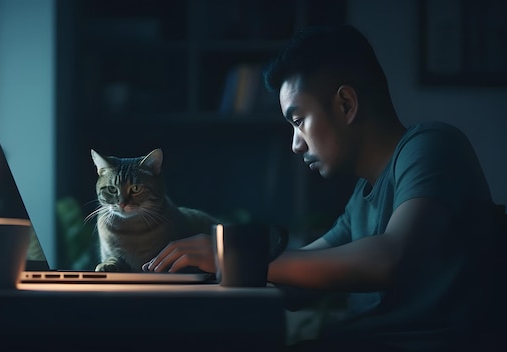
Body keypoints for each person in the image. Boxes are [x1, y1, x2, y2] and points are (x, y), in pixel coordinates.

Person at [143, 24, 500, 352]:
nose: (296, 144)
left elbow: (389, 258)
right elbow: (298, 278)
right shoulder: (360, 200)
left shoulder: (431, 145)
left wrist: (232, 259)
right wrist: (202, 273)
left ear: (346, 104)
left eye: (298, 121)